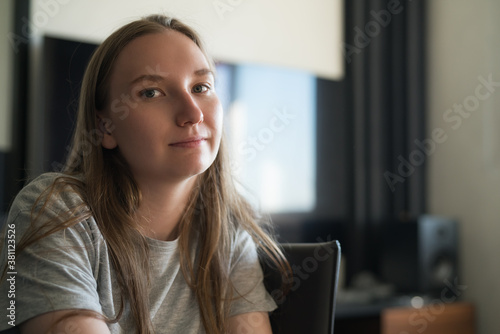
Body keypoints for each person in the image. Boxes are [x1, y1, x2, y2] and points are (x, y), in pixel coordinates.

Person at [0, 14, 290, 334]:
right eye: (151, 92)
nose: (192, 113)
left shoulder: (228, 234)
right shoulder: (53, 210)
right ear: (105, 127)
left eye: (201, 86)